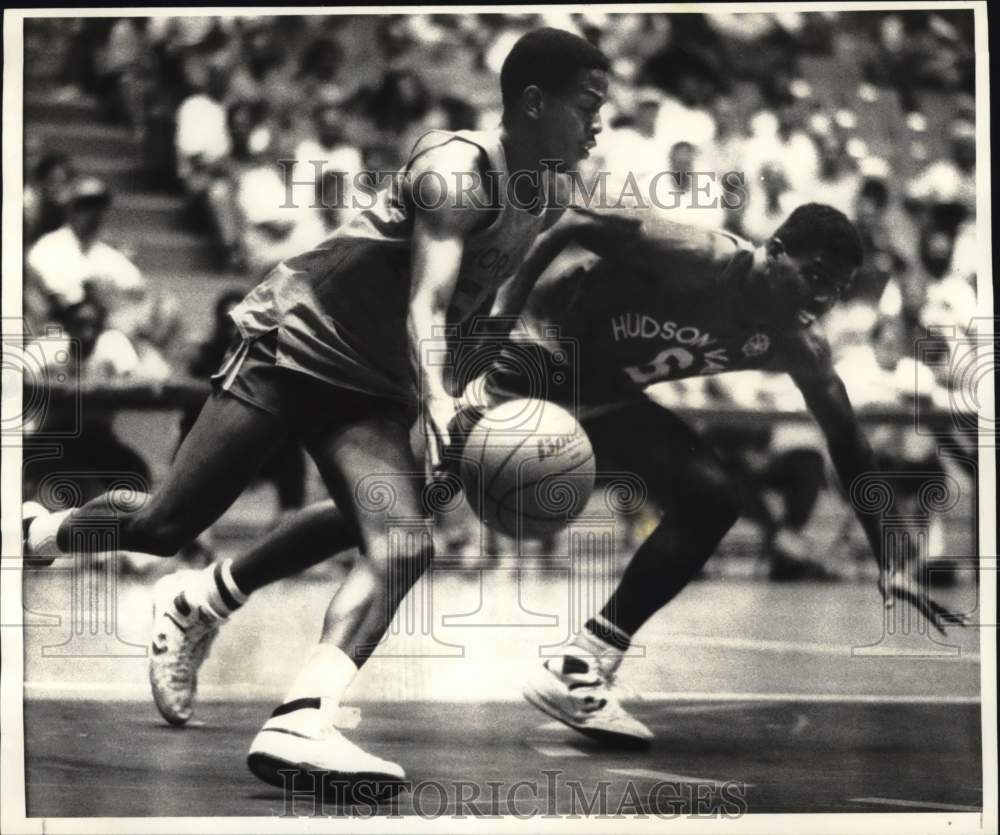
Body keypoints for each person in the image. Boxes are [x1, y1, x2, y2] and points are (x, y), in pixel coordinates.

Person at [23, 28, 622, 794]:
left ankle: (300, 717)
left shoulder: (552, 189)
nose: (598, 124)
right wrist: (439, 393)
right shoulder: (457, 170)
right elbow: (427, 300)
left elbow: (488, 293)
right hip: (296, 345)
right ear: (534, 103)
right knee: (165, 525)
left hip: (371, 386)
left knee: (403, 540)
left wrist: (467, 385)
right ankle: (42, 531)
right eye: (588, 106)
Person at [137, 203, 967, 753]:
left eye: (834, 288)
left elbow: (851, 446)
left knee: (712, 495)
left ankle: (583, 662)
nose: (820, 298)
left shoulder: (797, 342)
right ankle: (204, 596)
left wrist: (893, 547)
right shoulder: (695, 254)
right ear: (773, 251)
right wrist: (497, 329)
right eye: (812, 275)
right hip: (535, 359)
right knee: (402, 506)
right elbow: (570, 220)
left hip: (605, 398)